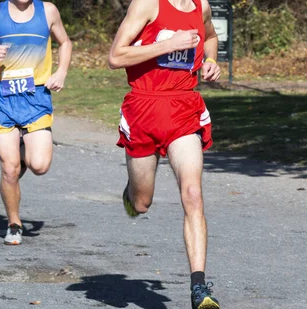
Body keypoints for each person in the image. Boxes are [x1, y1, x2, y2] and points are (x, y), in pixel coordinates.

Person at [108, 0, 222, 307]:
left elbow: (210, 37)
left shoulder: (202, 6)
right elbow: (116, 56)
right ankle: (131, 193)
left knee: (193, 193)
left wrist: (211, 60)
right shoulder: (147, 4)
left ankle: (199, 287)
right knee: (142, 202)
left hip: (184, 107)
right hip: (144, 107)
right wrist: (168, 44)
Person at [0, 0, 71, 245]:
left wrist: (61, 72)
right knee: (9, 169)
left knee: (39, 165)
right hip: (3, 98)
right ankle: (14, 223)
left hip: (36, 97)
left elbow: (65, 42)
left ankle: (23, 153)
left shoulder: (48, 10)